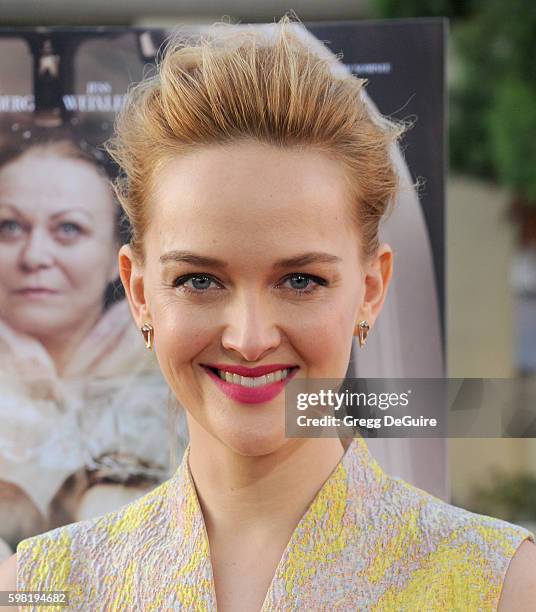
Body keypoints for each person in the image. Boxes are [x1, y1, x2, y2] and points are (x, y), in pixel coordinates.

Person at [2, 15, 535, 610]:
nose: (249, 338)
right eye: (199, 279)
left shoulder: (502, 584)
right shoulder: (42, 587)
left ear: (372, 288)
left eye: (300, 280)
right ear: (140, 291)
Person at [0, 139, 179, 557]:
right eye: (8, 227)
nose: (35, 256)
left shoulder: (174, 366)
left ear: (113, 260)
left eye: (68, 229)